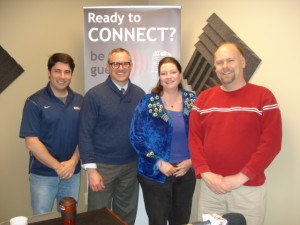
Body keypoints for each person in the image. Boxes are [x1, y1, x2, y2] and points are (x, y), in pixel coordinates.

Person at [189, 42, 282, 225]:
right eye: (219, 62)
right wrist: (206, 174)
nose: (225, 67)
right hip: (211, 190)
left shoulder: (264, 97)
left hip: (248, 190)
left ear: (243, 62)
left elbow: (271, 143)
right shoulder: (202, 100)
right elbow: (194, 140)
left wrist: (241, 177)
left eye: (230, 60)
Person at [79, 48, 145, 225]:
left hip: (131, 166)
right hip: (102, 167)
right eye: (115, 63)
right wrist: (91, 170)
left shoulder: (140, 95)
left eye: (125, 63)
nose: (120, 67)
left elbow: (144, 132)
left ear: (131, 66)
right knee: (98, 217)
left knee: (126, 216)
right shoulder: (94, 95)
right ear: (108, 66)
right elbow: (84, 133)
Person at [130, 56, 196, 225]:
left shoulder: (193, 100)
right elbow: (136, 137)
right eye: (164, 73)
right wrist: (159, 162)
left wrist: (191, 161)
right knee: (157, 221)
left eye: (173, 72)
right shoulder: (148, 101)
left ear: (180, 75)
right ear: (159, 77)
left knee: (181, 221)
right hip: (155, 174)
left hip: (185, 172)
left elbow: (202, 136)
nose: (169, 76)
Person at [19, 53, 82, 215]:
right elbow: (31, 142)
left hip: (71, 174)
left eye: (67, 72)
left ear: (71, 74)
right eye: (57, 71)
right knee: (42, 218)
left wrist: (73, 162)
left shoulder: (80, 101)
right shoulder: (34, 101)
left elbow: (85, 136)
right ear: (49, 72)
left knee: (69, 216)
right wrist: (58, 167)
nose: (62, 76)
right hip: (43, 175)